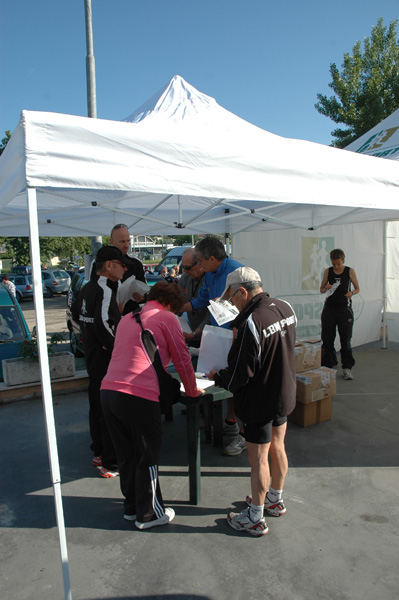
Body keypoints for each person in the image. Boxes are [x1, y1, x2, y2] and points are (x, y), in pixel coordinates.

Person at [100, 282, 203, 530]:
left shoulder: (127, 318)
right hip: (139, 395)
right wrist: (192, 391)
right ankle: (149, 513)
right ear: (171, 304)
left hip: (109, 391)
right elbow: (182, 359)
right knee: (148, 455)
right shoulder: (167, 317)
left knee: (127, 454)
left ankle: (132, 507)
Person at [207, 267, 297, 537]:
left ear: (243, 291)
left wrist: (216, 375)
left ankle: (256, 518)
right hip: (284, 392)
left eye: (233, 298)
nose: (232, 304)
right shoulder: (285, 307)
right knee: (278, 446)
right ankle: (274, 500)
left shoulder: (251, 322)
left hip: (260, 399)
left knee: (258, 458)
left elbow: (238, 375)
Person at [182, 237, 244, 454]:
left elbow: (247, 307)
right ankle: (230, 423)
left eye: (199, 260)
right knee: (218, 379)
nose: (198, 265)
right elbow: (203, 301)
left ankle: (242, 433)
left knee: (241, 385)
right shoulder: (210, 274)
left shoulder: (238, 272)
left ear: (211, 258)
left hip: (238, 337)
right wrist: (177, 307)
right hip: (218, 336)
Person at [72, 246, 129, 478]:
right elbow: (104, 322)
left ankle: (98, 453)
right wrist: (117, 346)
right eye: (121, 264)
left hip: (93, 358)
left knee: (96, 408)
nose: (124, 268)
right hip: (106, 361)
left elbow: (77, 314)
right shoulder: (104, 289)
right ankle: (110, 462)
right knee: (109, 412)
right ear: (108, 265)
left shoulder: (87, 288)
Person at [320, 248, 360, 380]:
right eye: (334, 264)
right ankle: (328, 364)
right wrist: (325, 288)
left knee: (345, 339)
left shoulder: (349, 271)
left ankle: (347, 367)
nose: (336, 266)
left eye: (338, 263)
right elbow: (321, 289)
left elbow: (357, 288)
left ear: (343, 260)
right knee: (327, 338)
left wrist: (352, 293)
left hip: (344, 309)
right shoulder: (328, 271)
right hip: (329, 309)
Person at [110, 224, 147, 314]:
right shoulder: (99, 262)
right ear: (112, 241)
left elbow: (144, 293)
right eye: (122, 242)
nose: (126, 245)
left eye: (128, 241)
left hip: (131, 315)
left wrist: (141, 298)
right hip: (108, 316)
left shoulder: (136, 263)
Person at [178, 247, 211, 347]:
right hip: (192, 332)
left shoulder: (210, 279)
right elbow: (178, 304)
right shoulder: (185, 278)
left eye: (188, 268)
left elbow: (211, 313)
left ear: (199, 263)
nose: (186, 271)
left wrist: (196, 333)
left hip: (209, 335)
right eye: (183, 268)